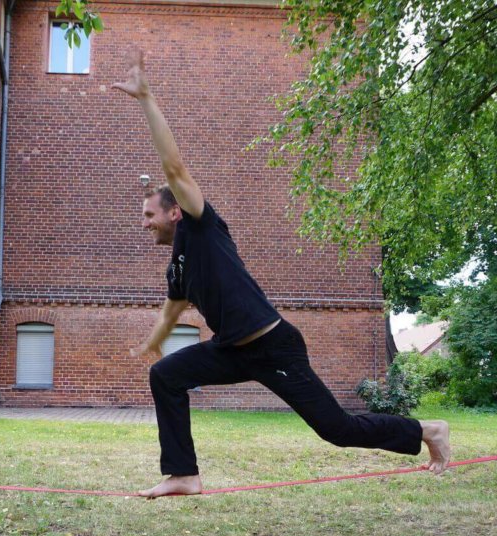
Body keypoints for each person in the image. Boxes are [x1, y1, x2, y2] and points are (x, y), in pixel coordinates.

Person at [112, 49, 451, 499]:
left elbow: (173, 167)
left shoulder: (200, 224)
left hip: (273, 346)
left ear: (174, 211)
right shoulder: (177, 262)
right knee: (167, 375)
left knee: (337, 429)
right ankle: (184, 475)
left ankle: (427, 430)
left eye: (148, 213)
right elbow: (174, 306)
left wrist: (146, 99)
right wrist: (155, 340)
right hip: (232, 349)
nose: (144, 222)